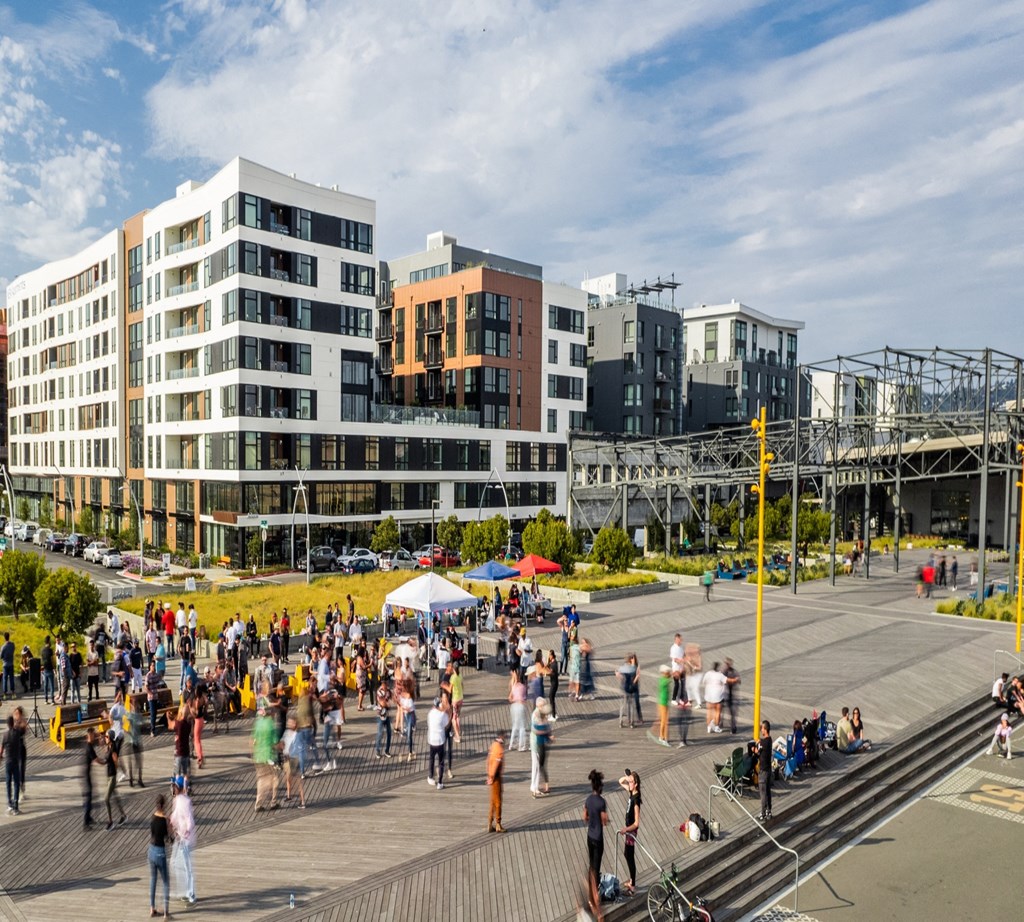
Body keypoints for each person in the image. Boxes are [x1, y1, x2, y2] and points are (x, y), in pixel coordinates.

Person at [169, 779, 197, 905]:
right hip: (180, 838)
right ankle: (187, 892)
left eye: (173, 786)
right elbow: (175, 816)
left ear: (177, 787)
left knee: (187, 868)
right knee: (177, 864)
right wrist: (170, 822)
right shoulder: (178, 800)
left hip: (185, 839)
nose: (172, 788)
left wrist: (184, 833)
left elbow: (190, 821)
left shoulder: (184, 802)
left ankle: (191, 896)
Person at [617, 770, 642, 894]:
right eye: (629, 782)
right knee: (627, 854)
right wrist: (627, 777)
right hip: (628, 830)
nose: (629, 783)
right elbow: (620, 781)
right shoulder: (631, 792)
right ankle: (632, 881)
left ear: (636, 784)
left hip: (631, 831)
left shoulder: (636, 800)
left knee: (629, 856)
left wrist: (626, 829)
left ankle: (633, 884)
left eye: (631, 782)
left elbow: (637, 823)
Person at [583, 769, 608, 890]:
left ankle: (589, 886)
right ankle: (595, 892)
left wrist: (591, 817)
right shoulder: (601, 802)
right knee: (597, 866)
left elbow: (585, 817)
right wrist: (604, 819)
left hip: (590, 836)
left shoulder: (588, 800)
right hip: (598, 838)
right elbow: (604, 821)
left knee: (591, 864)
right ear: (600, 788)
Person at [148, 793, 172, 920]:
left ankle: (152, 908)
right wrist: (171, 829)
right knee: (166, 882)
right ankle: (166, 913)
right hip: (160, 852)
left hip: (150, 850)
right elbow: (169, 839)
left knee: (153, 880)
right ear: (164, 805)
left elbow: (153, 833)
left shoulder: (152, 817)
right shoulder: (165, 820)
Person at [251, 707, 280, 811]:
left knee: (261, 780)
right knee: (275, 778)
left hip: (258, 756)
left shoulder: (258, 723)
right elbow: (275, 742)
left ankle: (258, 804)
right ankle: (273, 802)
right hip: (268, 756)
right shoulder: (271, 725)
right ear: (271, 714)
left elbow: (254, 741)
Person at [102, 729, 127, 830]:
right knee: (115, 797)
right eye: (105, 736)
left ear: (111, 738)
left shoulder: (113, 750)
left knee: (106, 799)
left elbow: (117, 762)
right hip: (108, 777)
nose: (105, 738)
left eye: (107, 737)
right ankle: (123, 816)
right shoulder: (108, 747)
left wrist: (118, 772)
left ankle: (110, 822)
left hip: (112, 776)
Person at [529, 697, 554, 797]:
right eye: (543, 705)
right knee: (536, 765)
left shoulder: (541, 714)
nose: (544, 707)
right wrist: (546, 733)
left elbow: (546, 726)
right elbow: (535, 730)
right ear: (538, 706)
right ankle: (534, 787)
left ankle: (534, 785)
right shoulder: (536, 715)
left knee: (538, 765)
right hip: (536, 743)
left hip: (540, 742)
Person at [2, 713, 24, 814]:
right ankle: (15, 805)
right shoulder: (17, 733)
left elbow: (1, 750)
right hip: (16, 760)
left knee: (8, 783)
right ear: (13, 723)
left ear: (7, 724)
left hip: (8, 761)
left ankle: (9, 803)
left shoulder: (5, 735)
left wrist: (1, 756)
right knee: (16, 783)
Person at [426, 697, 449, 789]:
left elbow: (429, 724)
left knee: (431, 759)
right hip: (440, 741)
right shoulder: (443, 714)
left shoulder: (430, 713)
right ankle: (440, 782)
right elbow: (446, 724)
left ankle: (431, 776)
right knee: (441, 762)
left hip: (432, 740)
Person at [82, 726, 103, 828]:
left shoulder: (88, 745)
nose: (94, 736)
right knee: (88, 800)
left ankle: (89, 817)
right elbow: (97, 760)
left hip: (86, 775)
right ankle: (86, 822)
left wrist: (99, 737)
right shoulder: (89, 747)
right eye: (93, 735)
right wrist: (105, 762)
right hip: (86, 777)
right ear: (89, 735)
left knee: (89, 798)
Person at [486, 731, 506, 833]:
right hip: (496, 778)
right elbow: (496, 764)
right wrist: (492, 777)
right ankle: (498, 823)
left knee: (493, 801)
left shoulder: (493, 745)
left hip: (491, 775)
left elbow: (488, 760)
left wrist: (488, 774)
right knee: (498, 801)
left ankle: (490, 822)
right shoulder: (499, 749)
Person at [616, 653, 644, 727]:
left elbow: (619, 674)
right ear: (631, 659)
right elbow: (636, 673)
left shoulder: (621, 668)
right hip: (631, 689)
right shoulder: (634, 668)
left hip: (623, 689)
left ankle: (620, 722)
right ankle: (631, 723)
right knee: (631, 705)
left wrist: (617, 674)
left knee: (622, 705)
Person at [702, 662, 726, 733]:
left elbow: (704, 682)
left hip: (709, 696)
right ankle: (716, 726)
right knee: (717, 712)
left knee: (709, 712)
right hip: (718, 696)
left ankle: (709, 727)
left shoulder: (708, 673)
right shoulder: (720, 675)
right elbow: (726, 681)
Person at [756, 720, 772, 822]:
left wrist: (756, 745)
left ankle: (762, 813)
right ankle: (768, 811)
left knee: (762, 793)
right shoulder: (769, 740)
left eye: (762, 728)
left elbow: (757, 751)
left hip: (763, 771)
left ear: (765, 730)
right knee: (768, 792)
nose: (761, 729)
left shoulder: (763, 743)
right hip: (769, 770)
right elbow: (762, 742)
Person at [508, 672, 529, 752]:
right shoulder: (523, 687)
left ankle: (511, 744)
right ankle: (521, 745)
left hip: (513, 706)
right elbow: (525, 698)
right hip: (520, 706)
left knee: (515, 726)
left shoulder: (514, 686)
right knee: (522, 727)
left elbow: (510, 698)